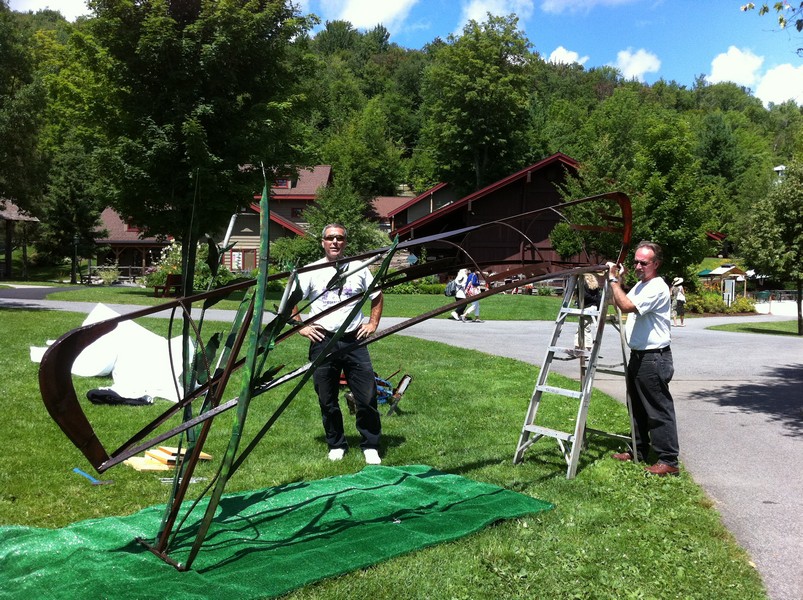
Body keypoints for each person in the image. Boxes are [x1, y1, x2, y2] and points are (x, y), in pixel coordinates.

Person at [293, 224, 383, 465]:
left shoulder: (359, 268)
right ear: (322, 242)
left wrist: (372, 324)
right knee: (327, 397)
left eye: (339, 238)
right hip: (323, 340)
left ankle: (370, 445)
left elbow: (377, 295)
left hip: (354, 339)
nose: (335, 242)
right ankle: (336, 444)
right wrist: (301, 326)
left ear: (345, 242)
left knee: (366, 395)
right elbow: (291, 300)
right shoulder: (311, 271)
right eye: (330, 238)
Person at [606, 241, 680, 476]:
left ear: (655, 264)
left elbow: (626, 305)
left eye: (643, 262)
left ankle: (668, 460)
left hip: (654, 357)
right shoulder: (641, 284)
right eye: (636, 261)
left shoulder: (657, 287)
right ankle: (638, 450)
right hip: (639, 356)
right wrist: (617, 281)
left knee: (658, 409)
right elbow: (617, 300)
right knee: (636, 406)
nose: (638, 265)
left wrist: (613, 280)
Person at [573, 272, 602, 352]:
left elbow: (584, 295)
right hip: (593, 307)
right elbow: (598, 297)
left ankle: (588, 349)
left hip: (586, 307)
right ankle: (577, 347)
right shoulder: (594, 284)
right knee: (582, 327)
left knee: (585, 328)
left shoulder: (582, 282)